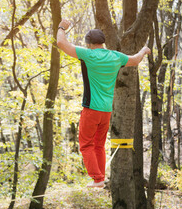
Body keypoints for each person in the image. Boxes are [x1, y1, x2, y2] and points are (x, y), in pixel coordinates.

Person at [56, 19, 151, 188]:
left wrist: (62, 27)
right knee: (99, 145)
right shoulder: (115, 56)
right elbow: (135, 60)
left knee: (86, 145)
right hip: (106, 111)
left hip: (91, 108)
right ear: (103, 42)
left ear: (89, 43)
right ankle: (99, 178)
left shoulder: (88, 54)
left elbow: (61, 43)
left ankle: (97, 178)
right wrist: (144, 50)